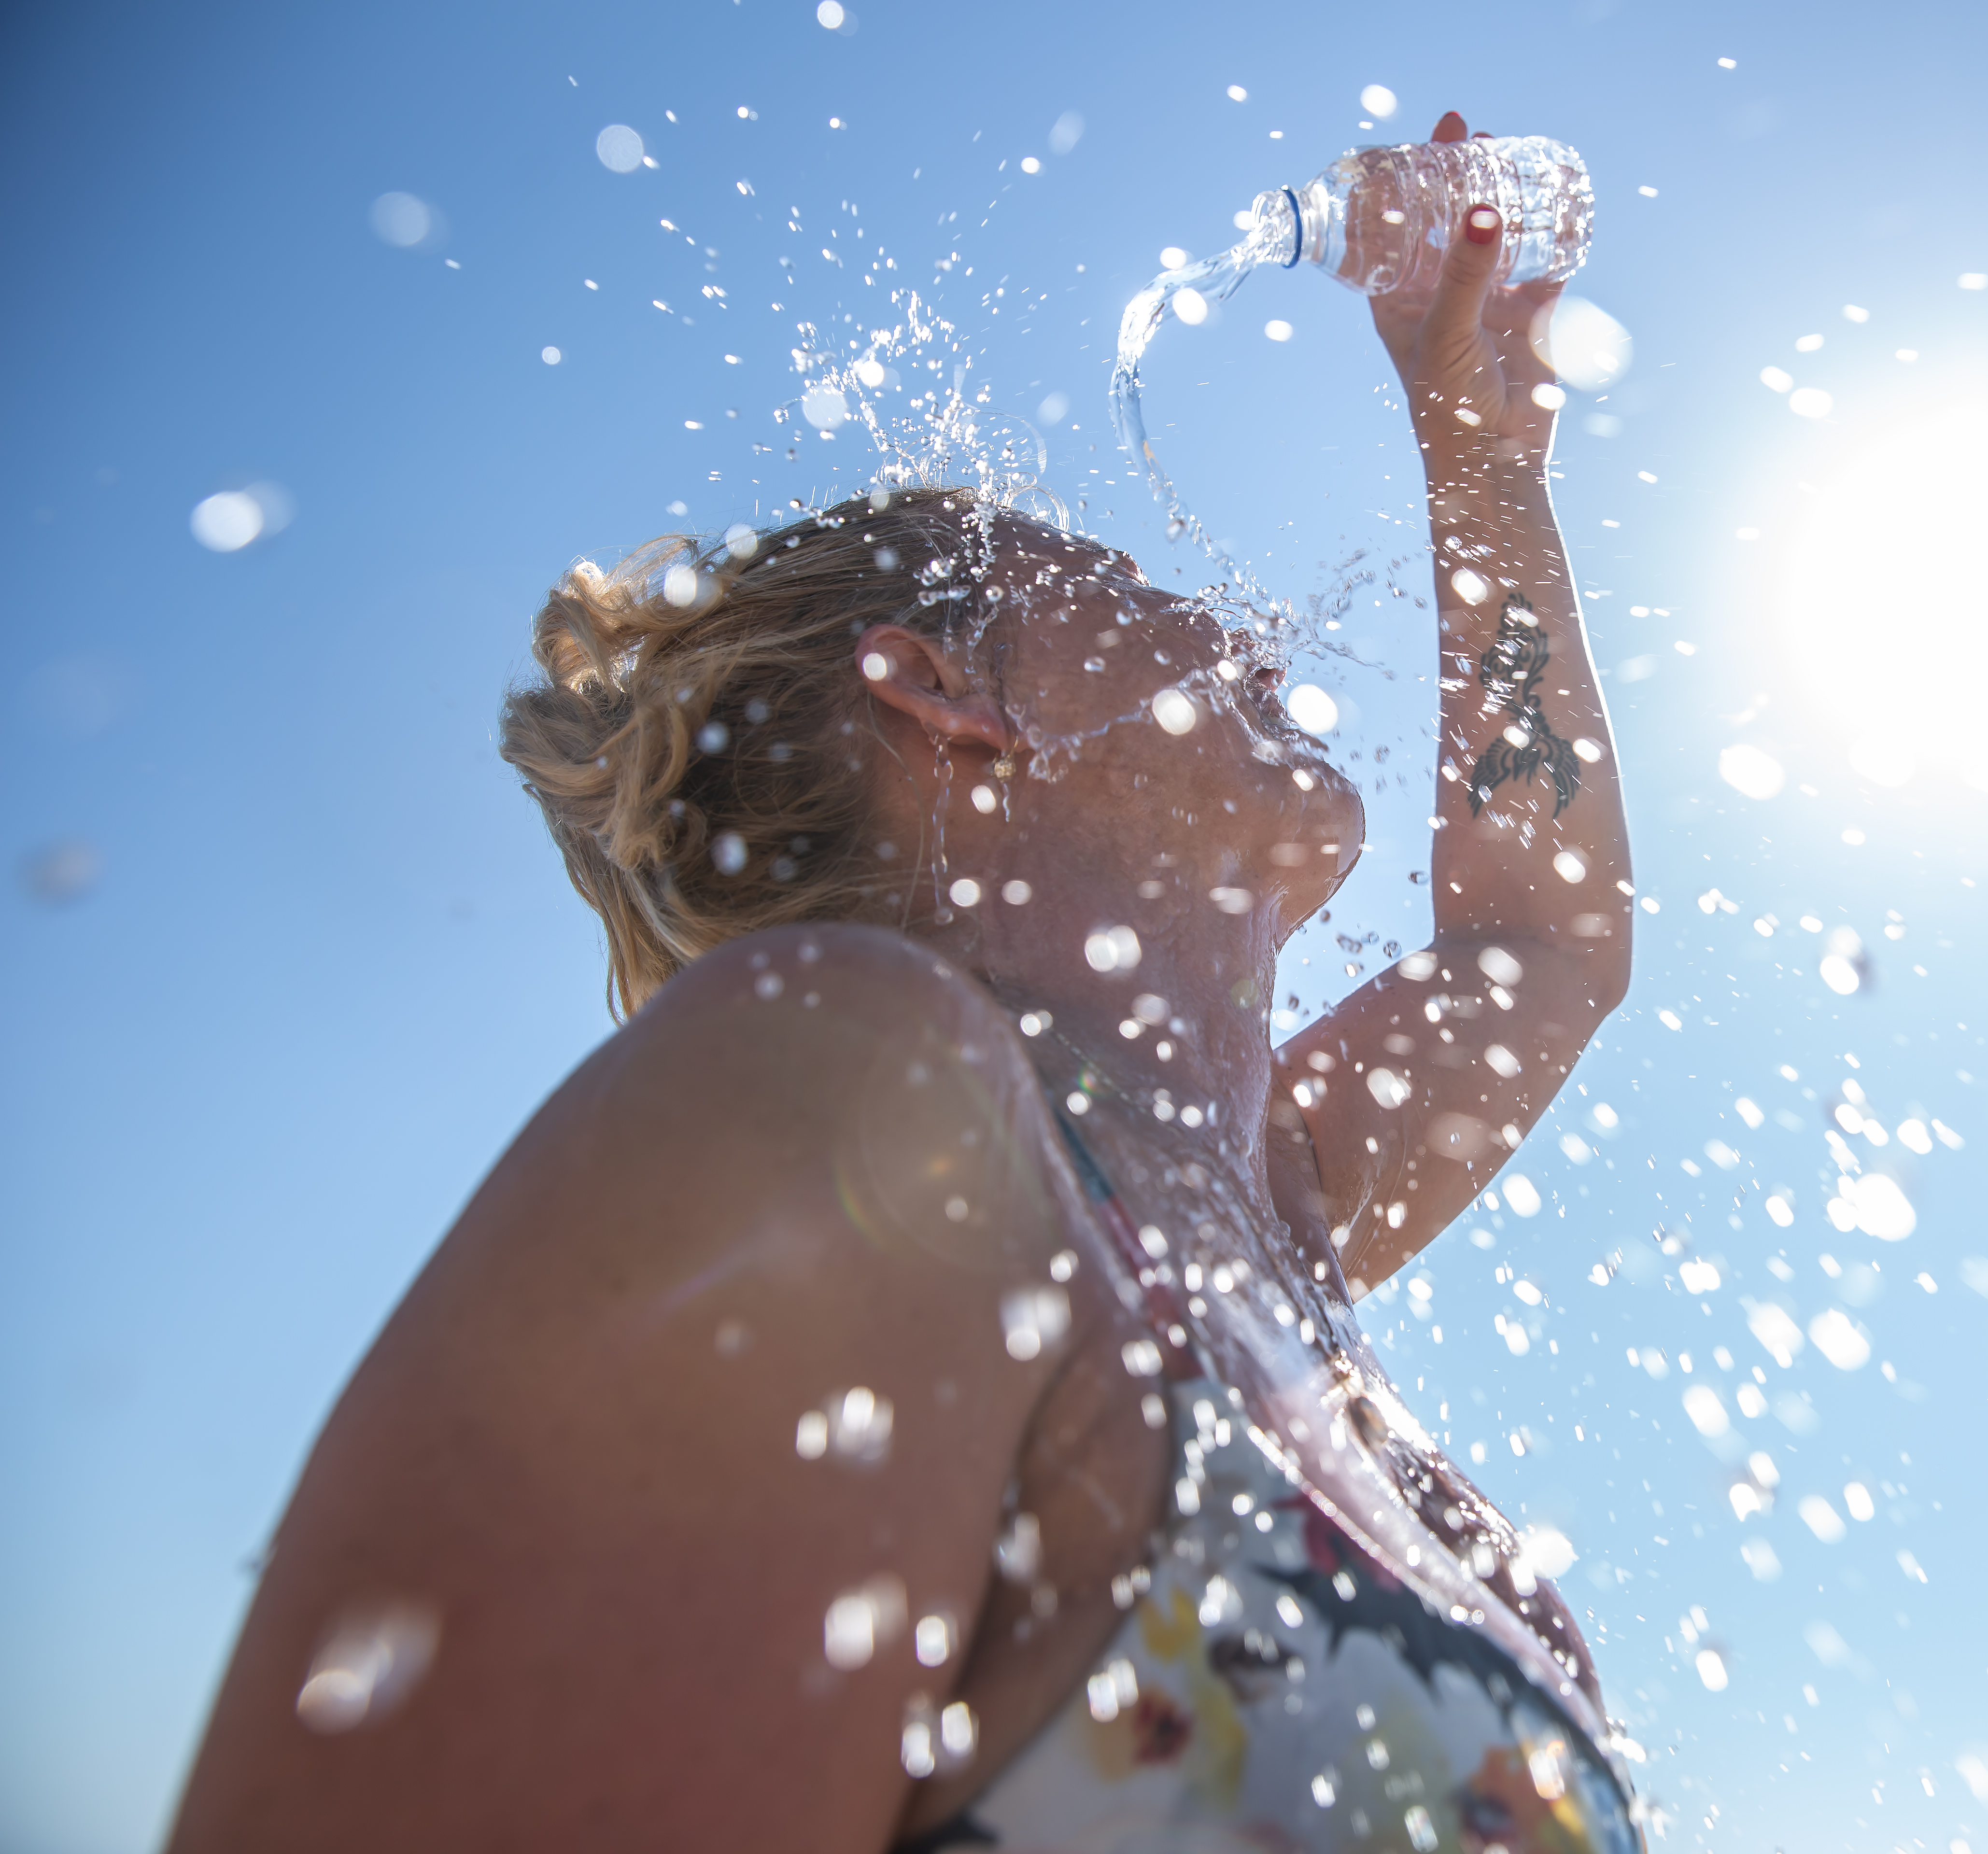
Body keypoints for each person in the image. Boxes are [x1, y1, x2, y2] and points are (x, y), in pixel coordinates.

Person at [168, 112, 1636, 1854]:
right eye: (1135, 589)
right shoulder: (864, 1113)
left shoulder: (1260, 1208)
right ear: (943, 693)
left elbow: (1537, 948)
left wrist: (1479, 448)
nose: (1241, 634)